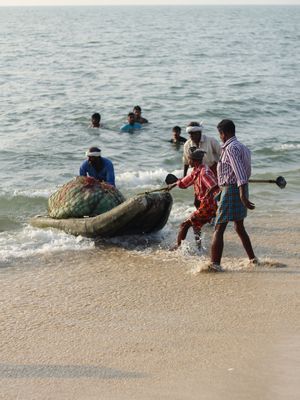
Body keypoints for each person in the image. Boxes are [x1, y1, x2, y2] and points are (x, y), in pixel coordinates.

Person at [210, 119, 257, 272]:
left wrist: (242, 194)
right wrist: (217, 186)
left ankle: (215, 265)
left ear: (224, 133)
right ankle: (253, 259)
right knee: (239, 226)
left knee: (219, 227)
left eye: (220, 134)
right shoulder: (242, 147)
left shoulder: (230, 148)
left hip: (233, 190)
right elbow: (240, 171)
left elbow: (239, 172)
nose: (220, 137)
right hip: (236, 187)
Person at [170, 149, 219, 250]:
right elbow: (184, 183)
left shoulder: (204, 172)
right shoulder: (196, 171)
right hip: (204, 205)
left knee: (184, 224)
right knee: (196, 226)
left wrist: (207, 194)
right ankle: (199, 248)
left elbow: (215, 186)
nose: (188, 162)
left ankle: (177, 247)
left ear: (195, 161)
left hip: (208, 206)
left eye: (190, 160)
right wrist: (174, 184)